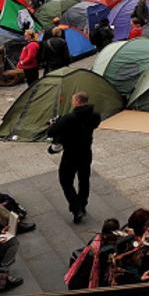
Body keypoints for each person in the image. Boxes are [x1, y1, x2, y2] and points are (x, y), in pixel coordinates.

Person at [48, 90, 101, 223]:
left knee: (65, 180)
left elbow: (51, 132)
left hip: (71, 154)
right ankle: (82, 204)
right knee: (84, 180)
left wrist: (55, 124)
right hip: (86, 152)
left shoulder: (68, 118)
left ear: (77, 101)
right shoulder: (95, 115)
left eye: (73, 100)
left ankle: (76, 208)